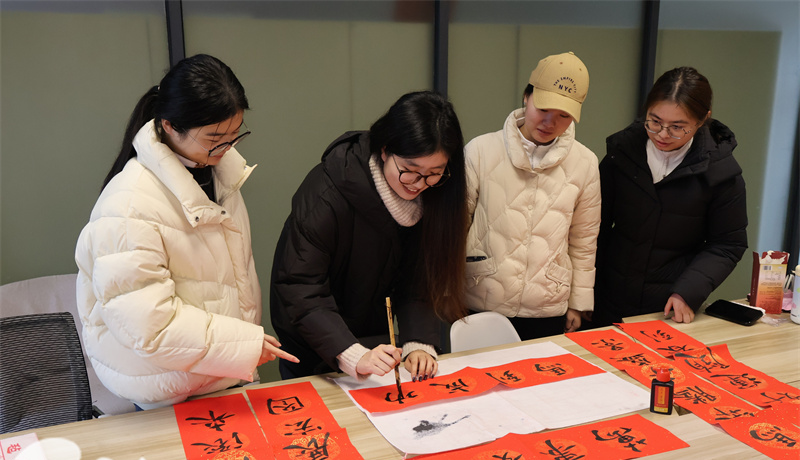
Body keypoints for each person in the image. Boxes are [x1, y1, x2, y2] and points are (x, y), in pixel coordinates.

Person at [75, 54, 297, 410]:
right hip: (168, 388)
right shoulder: (128, 205)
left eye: (235, 135)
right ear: (169, 126)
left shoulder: (220, 175)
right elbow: (149, 325)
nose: (226, 148)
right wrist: (242, 344)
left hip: (221, 374)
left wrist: (239, 352)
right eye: (214, 138)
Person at [271, 91, 468, 381]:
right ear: (385, 150)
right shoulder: (326, 194)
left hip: (376, 345)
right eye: (410, 170)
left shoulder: (435, 195)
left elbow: (420, 278)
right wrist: (351, 353)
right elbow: (300, 286)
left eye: (434, 173)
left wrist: (418, 343)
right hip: (315, 345)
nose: (419, 184)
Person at [593, 66, 748, 325]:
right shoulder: (621, 154)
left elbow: (728, 244)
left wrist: (688, 292)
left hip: (668, 308)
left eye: (677, 127)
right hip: (607, 298)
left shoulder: (721, 173)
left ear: (703, 119)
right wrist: (583, 293)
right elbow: (593, 227)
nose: (662, 135)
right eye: (654, 121)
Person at [463, 51, 600, 340]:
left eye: (564, 115)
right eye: (543, 109)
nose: (550, 122)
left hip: (547, 304)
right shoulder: (480, 151)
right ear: (527, 97)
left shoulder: (585, 163)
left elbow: (584, 242)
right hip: (480, 295)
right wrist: (446, 291)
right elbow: (455, 228)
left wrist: (578, 303)